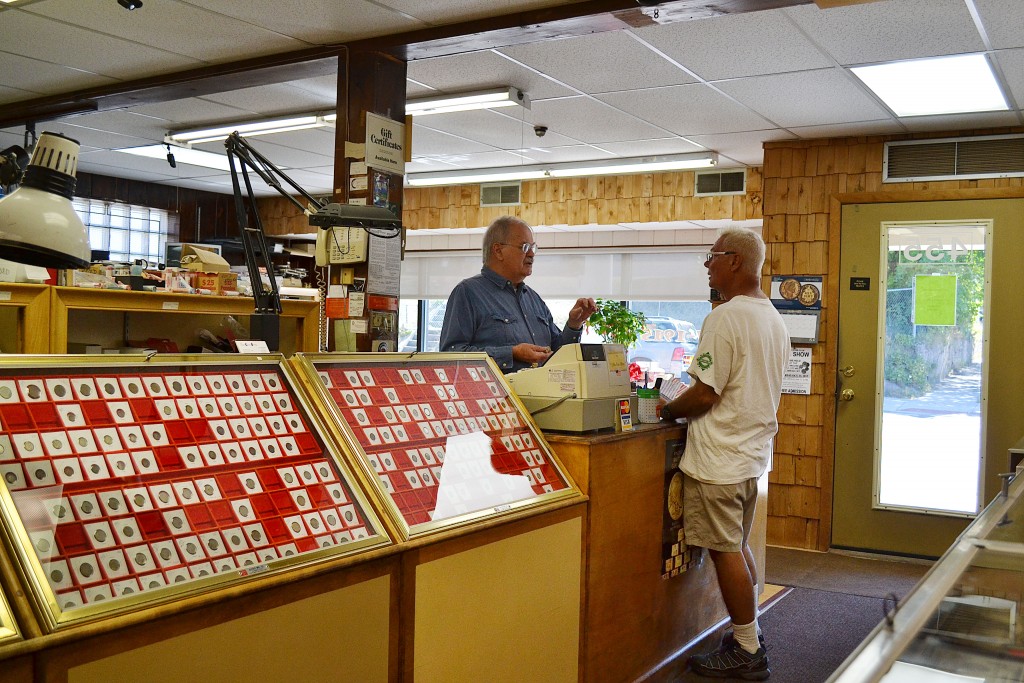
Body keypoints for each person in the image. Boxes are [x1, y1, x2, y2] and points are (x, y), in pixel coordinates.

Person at [658, 227, 790, 680]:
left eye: (711, 257)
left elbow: (705, 394)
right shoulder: (772, 317)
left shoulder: (726, 318)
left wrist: (668, 408)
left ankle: (748, 650)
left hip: (720, 459)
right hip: (751, 456)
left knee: (724, 551)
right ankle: (746, 633)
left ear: (734, 261)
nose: (707, 265)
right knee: (735, 546)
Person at [439, 216, 597, 373]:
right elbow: (451, 356)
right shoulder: (468, 293)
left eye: (533, 248)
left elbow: (558, 354)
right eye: (524, 247)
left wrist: (574, 324)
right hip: (496, 397)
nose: (531, 254)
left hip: (543, 396)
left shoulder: (533, 299)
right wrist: (511, 353)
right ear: (498, 251)